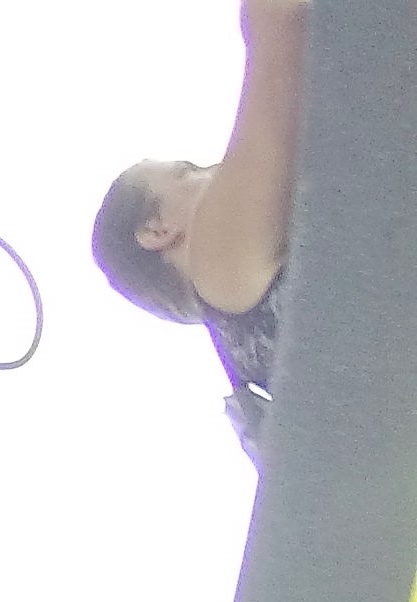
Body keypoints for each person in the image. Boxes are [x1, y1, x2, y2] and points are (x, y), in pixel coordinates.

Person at [91, 0, 313, 451]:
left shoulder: (255, 359)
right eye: (186, 171)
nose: (214, 168)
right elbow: (278, 24)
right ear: (157, 230)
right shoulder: (221, 272)